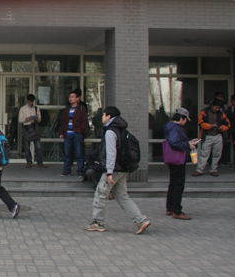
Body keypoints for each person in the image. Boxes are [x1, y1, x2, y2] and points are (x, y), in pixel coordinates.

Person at [84, 106, 151, 235]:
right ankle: (141, 221)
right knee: (122, 196)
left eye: (103, 115)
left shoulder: (110, 131)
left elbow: (111, 153)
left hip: (114, 169)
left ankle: (97, 222)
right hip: (123, 168)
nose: (102, 117)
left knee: (100, 194)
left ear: (109, 116)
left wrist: (109, 172)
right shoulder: (122, 130)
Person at [163, 108, 198, 220]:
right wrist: (188, 145)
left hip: (172, 159)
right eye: (185, 119)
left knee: (173, 183)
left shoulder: (169, 126)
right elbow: (174, 142)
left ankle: (170, 207)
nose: (186, 122)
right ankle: (176, 210)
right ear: (181, 118)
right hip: (178, 159)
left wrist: (187, 143)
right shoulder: (176, 128)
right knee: (178, 184)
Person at [194, 99, 230, 177]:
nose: (217, 109)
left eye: (219, 108)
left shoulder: (222, 114)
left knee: (217, 154)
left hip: (218, 135)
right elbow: (200, 123)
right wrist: (211, 126)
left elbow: (227, 124)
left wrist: (222, 128)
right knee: (204, 154)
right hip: (207, 135)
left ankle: (214, 169)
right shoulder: (204, 112)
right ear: (212, 106)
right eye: (216, 107)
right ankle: (199, 170)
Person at [59, 89, 88, 177]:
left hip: (77, 134)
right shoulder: (67, 109)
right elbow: (63, 122)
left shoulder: (81, 109)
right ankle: (67, 171)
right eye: (70, 97)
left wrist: (80, 131)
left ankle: (80, 171)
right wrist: (62, 132)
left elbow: (84, 121)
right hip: (68, 134)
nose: (70, 98)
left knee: (79, 153)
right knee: (67, 153)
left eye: (72, 97)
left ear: (77, 98)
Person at [18, 94, 44, 168]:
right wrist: (27, 119)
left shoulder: (36, 108)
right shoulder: (23, 109)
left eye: (32, 101)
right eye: (30, 101)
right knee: (27, 147)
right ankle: (29, 162)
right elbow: (20, 120)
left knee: (38, 147)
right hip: (26, 128)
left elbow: (39, 120)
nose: (31, 103)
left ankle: (40, 162)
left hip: (35, 128)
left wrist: (36, 118)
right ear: (27, 101)